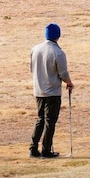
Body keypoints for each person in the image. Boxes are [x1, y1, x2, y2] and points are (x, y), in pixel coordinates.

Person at [29, 23, 74, 158]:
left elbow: (32, 69)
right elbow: (63, 73)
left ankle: (33, 148)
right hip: (52, 92)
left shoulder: (35, 49)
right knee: (50, 121)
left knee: (40, 119)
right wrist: (69, 83)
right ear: (58, 35)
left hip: (38, 90)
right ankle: (46, 150)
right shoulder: (58, 52)